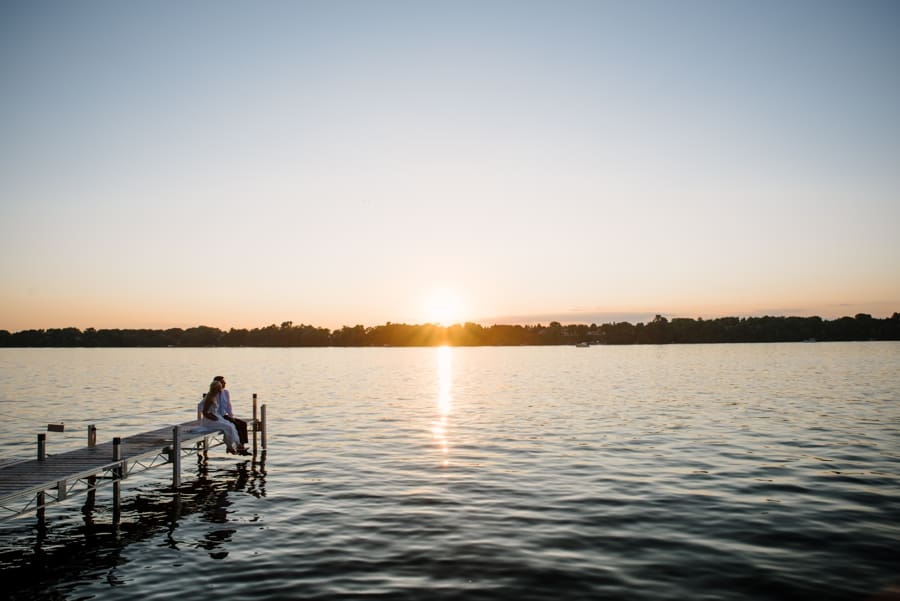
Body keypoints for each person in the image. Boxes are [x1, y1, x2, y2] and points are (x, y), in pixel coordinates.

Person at [199, 380, 248, 455]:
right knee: (228, 427)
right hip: (209, 420)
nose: (220, 390)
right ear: (216, 388)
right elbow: (205, 412)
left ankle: (237, 445)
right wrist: (212, 418)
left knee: (232, 426)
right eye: (219, 388)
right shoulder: (209, 397)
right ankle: (231, 446)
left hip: (216, 416)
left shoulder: (214, 395)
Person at [213, 376, 249, 452]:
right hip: (217, 417)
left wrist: (231, 416)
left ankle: (242, 445)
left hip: (224, 415)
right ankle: (235, 445)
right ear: (217, 383)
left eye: (224, 382)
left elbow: (228, 405)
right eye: (222, 382)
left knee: (243, 423)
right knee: (236, 425)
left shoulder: (226, 392)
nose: (225, 383)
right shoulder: (213, 394)